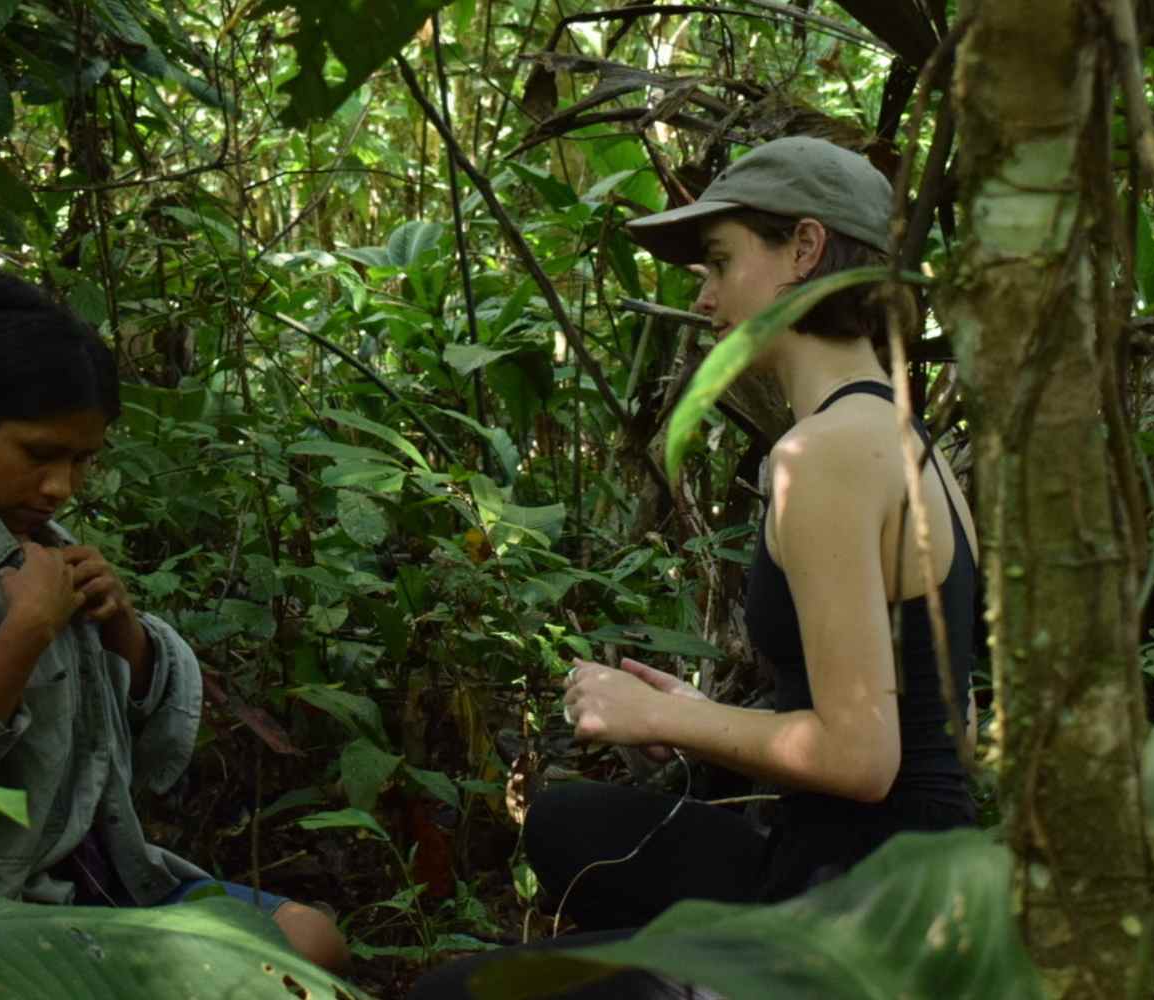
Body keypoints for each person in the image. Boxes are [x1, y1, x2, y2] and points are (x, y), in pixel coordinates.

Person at [410, 136, 979, 998]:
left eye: (719, 261)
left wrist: (660, 719)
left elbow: (864, 760)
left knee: (449, 994)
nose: (705, 297)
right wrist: (706, 712)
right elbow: (949, 733)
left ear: (805, 250)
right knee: (564, 823)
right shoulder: (913, 447)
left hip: (855, 931)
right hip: (903, 885)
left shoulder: (818, 457)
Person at [0, 270, 348, 972]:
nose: (60, 485)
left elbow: (146, 758)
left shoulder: (43, 539)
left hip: (100, 876)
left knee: (312, 943)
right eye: (39, 454)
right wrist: (24, 632)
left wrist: (124, 631)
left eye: (81, 460)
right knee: (273, 967)